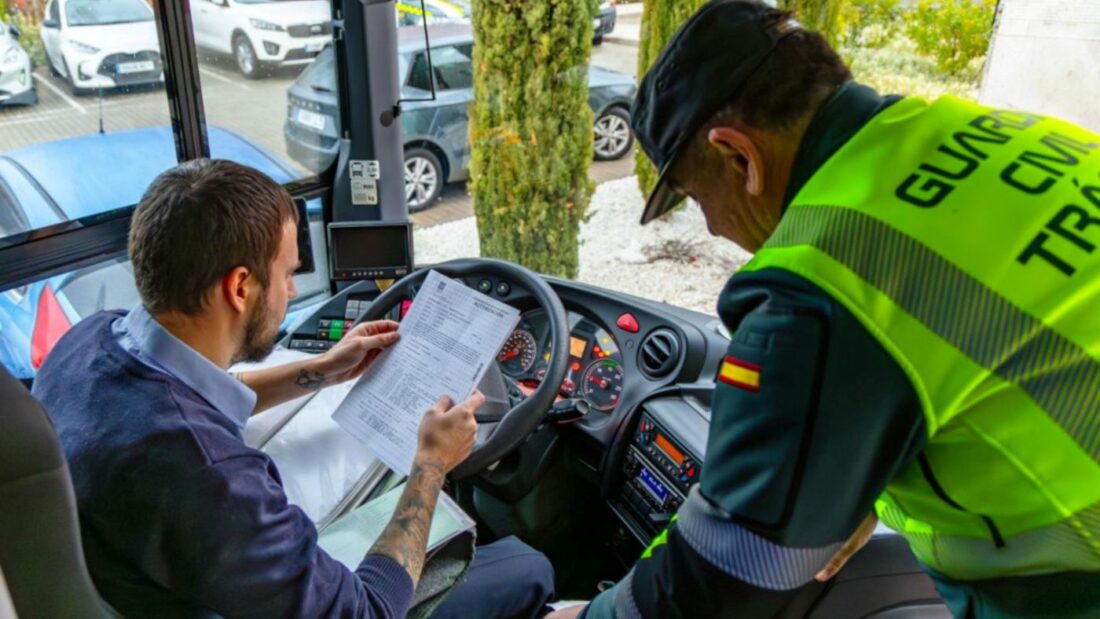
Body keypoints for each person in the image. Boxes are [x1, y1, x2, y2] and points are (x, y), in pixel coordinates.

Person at [551, 1, 1100, 617]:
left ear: (739, 157)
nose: (710, 226)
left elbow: (726, 576)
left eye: (698, 198)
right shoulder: (1006, 132)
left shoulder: (822, 285)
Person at [33, 159, 555, 618]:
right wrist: (431, 466)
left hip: (147, 576)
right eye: (286, 274)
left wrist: (321, 371)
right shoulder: (212, 480)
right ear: (239, 287)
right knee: (528, 568)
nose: (290, 290)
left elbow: (196, 394)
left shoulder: (87, 341)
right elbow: (365, 612)